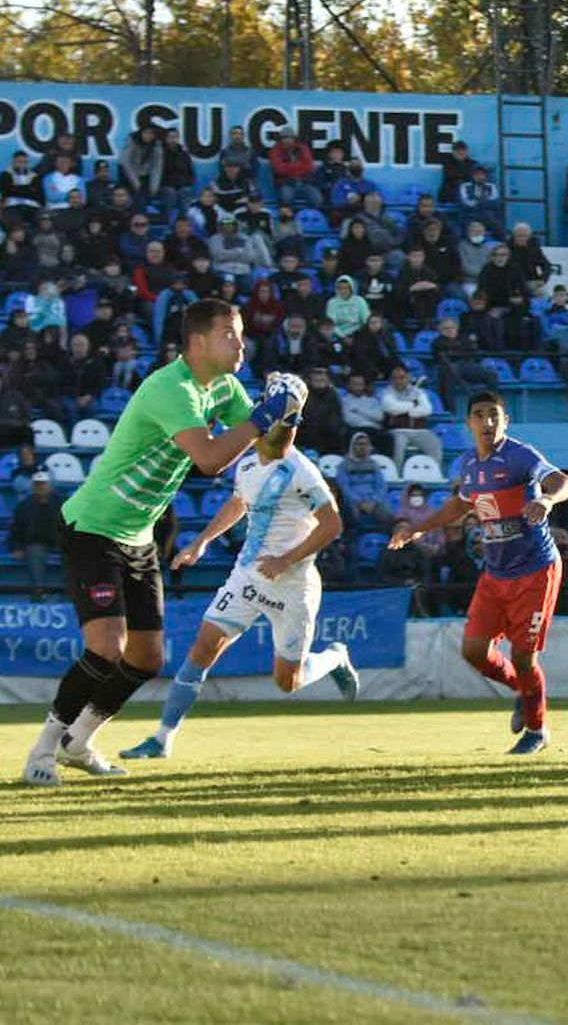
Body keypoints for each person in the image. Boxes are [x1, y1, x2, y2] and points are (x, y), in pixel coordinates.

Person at [21, 303, 306, 786]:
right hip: (94, 527)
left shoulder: (225, 387)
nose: (242, 344)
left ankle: (79, 742)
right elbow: (212, 460)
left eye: (239, 336)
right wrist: (264, 415)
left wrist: (290, 412)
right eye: (230, 335)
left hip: (137, 536)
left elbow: (272, 451)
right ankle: (41, 752)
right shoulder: (168, 387)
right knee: (107, 647)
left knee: (148, 657)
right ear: (197, 342)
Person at [118, 417, 357, 760]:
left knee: (288, 682)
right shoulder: (246, 462)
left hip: (292, 587)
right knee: (202, 651)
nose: (284, 432)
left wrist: (284, 561)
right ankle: (162, 739)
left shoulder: (302, 471)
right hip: (247, 576)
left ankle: (334, 657)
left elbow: (332, 525)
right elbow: (237, 503)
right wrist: (201, 542)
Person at [388, 392, 568, 754]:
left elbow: (565, 482)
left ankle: (537, 732)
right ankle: (522, 690)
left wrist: (546, 500)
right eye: (479, 415)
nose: (487, 422)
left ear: (505, 421)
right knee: (474, 651)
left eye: (494, 415)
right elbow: (460, 504)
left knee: (524, 656)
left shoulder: (521, 456)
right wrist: (417, 529)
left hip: (535, 569)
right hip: (496, 572)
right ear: (469, 423)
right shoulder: (469, 465)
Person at [8, 470, 63, 598]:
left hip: (60, 541)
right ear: (33, 486)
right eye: (37, 484)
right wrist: (16, 547)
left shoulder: (62, 503)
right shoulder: (24, 506)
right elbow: (15, 528)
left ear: (50, 486)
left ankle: (75, 590)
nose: (40, 487)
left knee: (72, 554)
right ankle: (38, 590)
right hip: (37, 542)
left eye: (43, 484)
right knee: (34, 551)